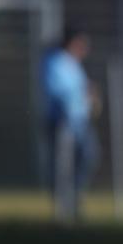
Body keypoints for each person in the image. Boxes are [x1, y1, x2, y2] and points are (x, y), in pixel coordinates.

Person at [41, 27, 98, 221]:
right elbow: (59, 93)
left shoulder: (74, 64)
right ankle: (62, 210)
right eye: (82, 43)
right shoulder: (55, 61)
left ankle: (75, 200)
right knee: (62, 167)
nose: (85, 49)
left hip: (80, 122)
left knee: (89, 157)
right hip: (61, 123)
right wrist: (83, 96)